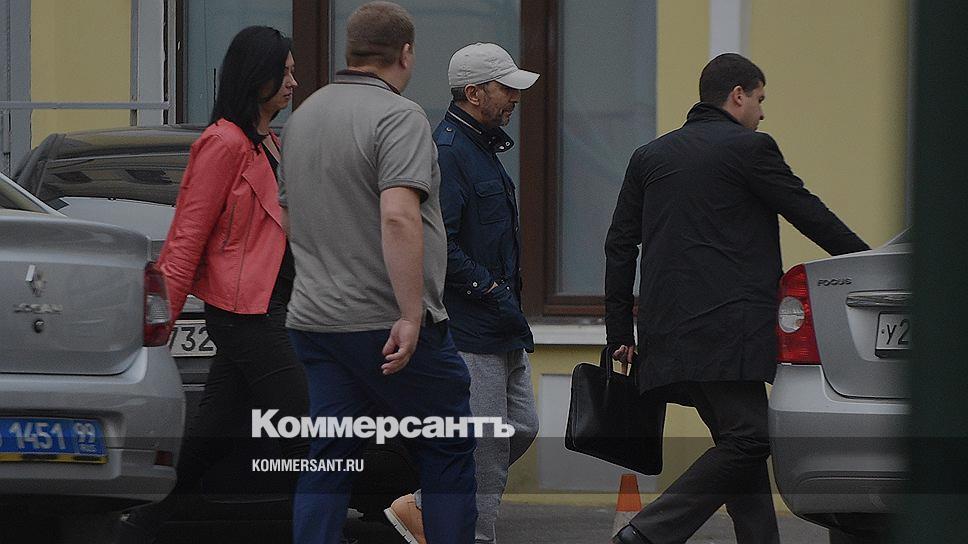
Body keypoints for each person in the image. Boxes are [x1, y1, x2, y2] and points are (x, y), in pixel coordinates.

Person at [605, 53, 870, 544]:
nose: (762, 113)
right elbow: (808, 213)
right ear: (738, 95)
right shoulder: (750, 149)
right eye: (760, 99)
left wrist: (620, 330)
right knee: (751, 438)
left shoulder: (650, 156)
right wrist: (871, 265)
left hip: (666, 332)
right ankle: (647, 533)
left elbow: (620, 244)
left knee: (738, 442)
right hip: (728, 334)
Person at [277, 3, 477, 543]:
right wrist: (410, 314)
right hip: (389, 323)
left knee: (330, 454)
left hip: (317, 321)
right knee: (447, 444)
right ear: (405, 54)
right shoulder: (399, 117)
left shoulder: (303, 118)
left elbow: (290, 218)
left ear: (350, 51)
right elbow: (398, 214)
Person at [119, 26, 307, 543]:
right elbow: (187, 237)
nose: (293, 82)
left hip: (271, 307)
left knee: (212, 435)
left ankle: (136, 528)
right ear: (258, 76)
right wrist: (158, 327)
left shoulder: (268, 143)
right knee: (307, 430)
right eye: (285, 72)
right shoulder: (223, 143)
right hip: (248, 314)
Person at [384, 42, 540, 544]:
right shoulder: (449, 153)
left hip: (502, 325)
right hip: (471, 328)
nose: (515, 97)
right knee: (487, 449)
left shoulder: (482, 149)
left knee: (521, 427)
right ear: (474, 93)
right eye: (506, 88)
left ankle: (425, 506)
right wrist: (489, 289)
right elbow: (439, 244)